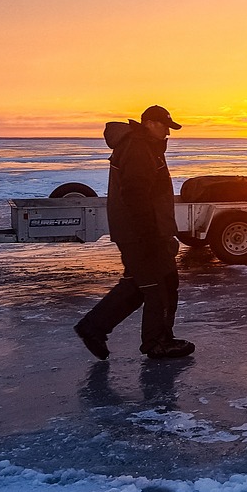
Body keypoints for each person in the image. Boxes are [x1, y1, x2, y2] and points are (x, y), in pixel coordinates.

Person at [74, 105, 195, 360]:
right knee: (159, 285)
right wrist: (149, 236)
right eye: (164, 126)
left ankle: (94, 327)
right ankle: (157, 342)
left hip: (144, 231)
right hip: (140, 233)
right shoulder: (139, 149)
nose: (167, 133)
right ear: (149, 123)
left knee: (140, 284)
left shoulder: (144, 147)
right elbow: (135, 195)